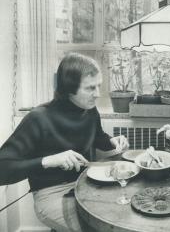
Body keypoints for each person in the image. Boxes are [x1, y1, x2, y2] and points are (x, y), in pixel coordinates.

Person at [0, 53, 129, 231]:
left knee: (121, 216)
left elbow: (97, 136)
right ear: (69, 88)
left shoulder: (89, 109)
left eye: (98, 86)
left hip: (86, 184)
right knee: (99, 227)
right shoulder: (38, 118)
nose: (97, 94)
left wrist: (112, 142)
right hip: (51, 193)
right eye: (90, 88)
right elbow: (2, 169)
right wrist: (49, 160)